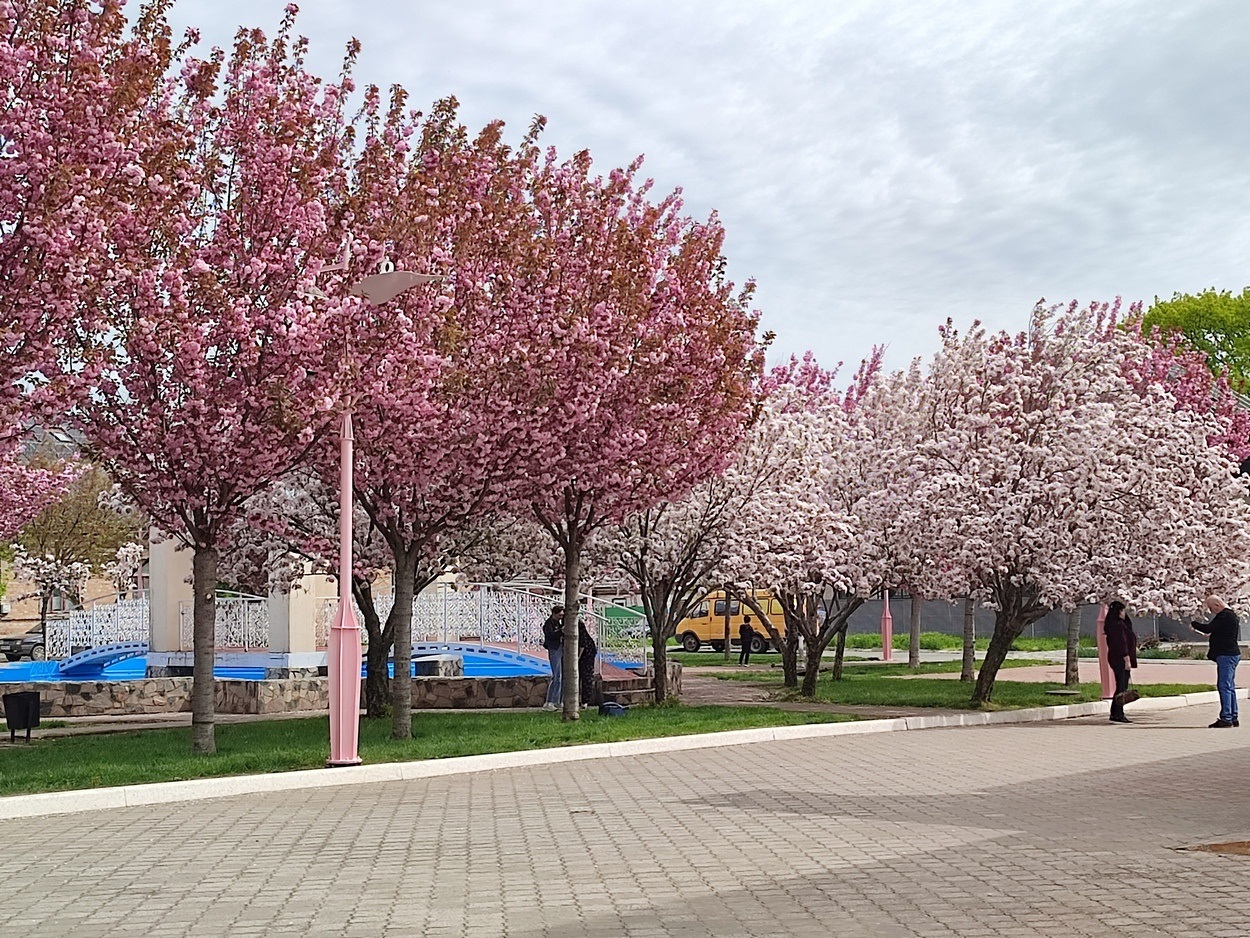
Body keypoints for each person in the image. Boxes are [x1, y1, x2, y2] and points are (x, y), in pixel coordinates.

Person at [1191, 595, 1241, 728]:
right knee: (1229, 686)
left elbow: (1208, 628)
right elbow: (1217, 630)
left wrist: (1194, 624)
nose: (1210, 611)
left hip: (1226, 655)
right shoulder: (1231, 616)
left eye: (1211, 607)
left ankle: (1226, 718)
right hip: (1231, 654)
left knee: (1224, 685)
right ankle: (1233, 716)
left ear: (1217, 605)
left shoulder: (1224, 615)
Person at [1103, 601, 1138, 724]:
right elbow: (1121, 643)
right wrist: (1126, 659)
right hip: (1120, 659)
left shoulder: (1117, 624)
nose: (1125, 613)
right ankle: (1118, 713)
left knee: (1121, 686)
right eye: (1123, 611)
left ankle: (1116, 713)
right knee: (1122, 687)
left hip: (1116, 658)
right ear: (1118, 612)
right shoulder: (1118, 626)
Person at [540, 604, 564, 712]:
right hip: (554, 649)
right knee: (556, 676)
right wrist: (560, 631)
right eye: (559, 615)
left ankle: (557, 700)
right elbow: (550, 636)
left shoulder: (558, 623)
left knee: (561, 677)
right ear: (554, 614)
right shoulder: (548, 624)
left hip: (560, 648)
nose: (561, 617)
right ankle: (549, 701)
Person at [577, 619, 598, 708]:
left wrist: (577, 658)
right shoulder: (582, 632)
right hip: (587, 653)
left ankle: (585, 701)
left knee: (586, 677)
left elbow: (582, 645)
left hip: (587, 655)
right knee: (582, 677)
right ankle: (581, 700)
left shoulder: (581, 632)